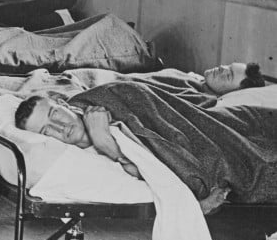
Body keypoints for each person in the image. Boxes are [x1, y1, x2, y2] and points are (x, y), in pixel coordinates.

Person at [15, 81, 277, 212]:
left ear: (63, 104)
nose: (59, 128)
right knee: (249, 165)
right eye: (46, 131)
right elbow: (148, 169)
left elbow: (158, 110)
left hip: (216, 123)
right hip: (211, 148)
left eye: (55, 116)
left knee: (249, 132)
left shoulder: (101, 100)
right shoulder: (81, 158)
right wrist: (106, 144)